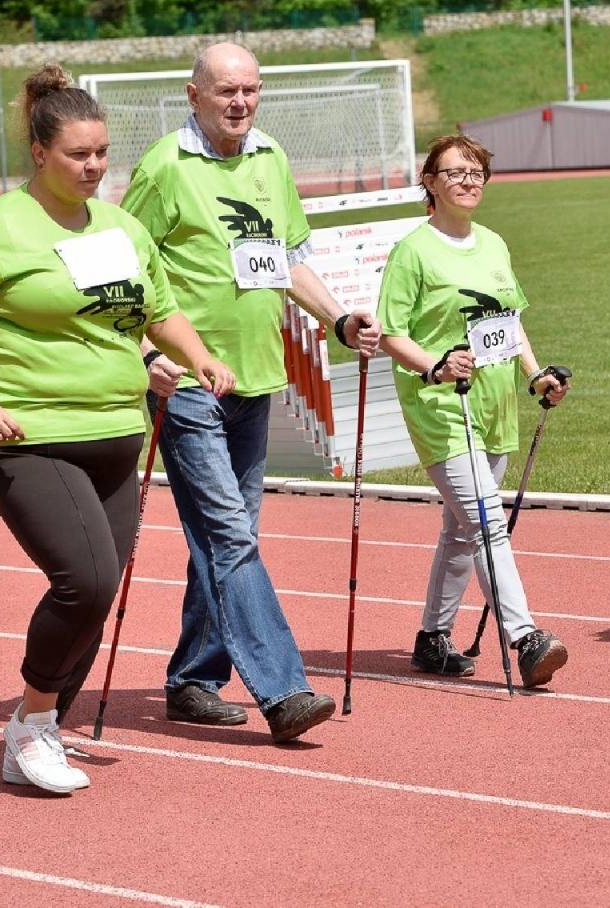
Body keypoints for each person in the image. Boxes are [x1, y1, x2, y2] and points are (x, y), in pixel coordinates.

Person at [0, 64, 229, 791]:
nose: (93, 168)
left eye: (101, 155)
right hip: (26, 434)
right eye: (77, 155)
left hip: (117, 429)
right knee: (83, 582)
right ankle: (28, 724)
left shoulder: (121, 229)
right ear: (39, 152)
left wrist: (199, 354)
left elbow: (157, 309)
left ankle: (42, 726)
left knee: (102, 584)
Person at [121, 42, 380, 743]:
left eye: (252, 90)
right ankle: (284, 688)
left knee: (227, 536)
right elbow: (123, 268)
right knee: (230, 535)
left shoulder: (270, 158)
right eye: (227, 91)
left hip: (258, 375)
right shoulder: (163, 168)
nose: (240, 102)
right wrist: (147, 351)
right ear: (193, 95)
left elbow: (288, 259)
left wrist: (341, 318)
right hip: (189, 382)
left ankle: (193, 680)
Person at [376, 134, 572, 687]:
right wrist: (435, 365)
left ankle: (432, 639)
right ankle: (526, 636)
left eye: (477, 172)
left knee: (462, 531)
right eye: (455, 171)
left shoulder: (494, 244)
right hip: (441, 406)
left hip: (495, 405)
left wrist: (536, 375)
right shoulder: (413, 251)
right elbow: (392, 333)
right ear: (430, 183)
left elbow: (510, 324)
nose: (469, 180)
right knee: (487, 524)